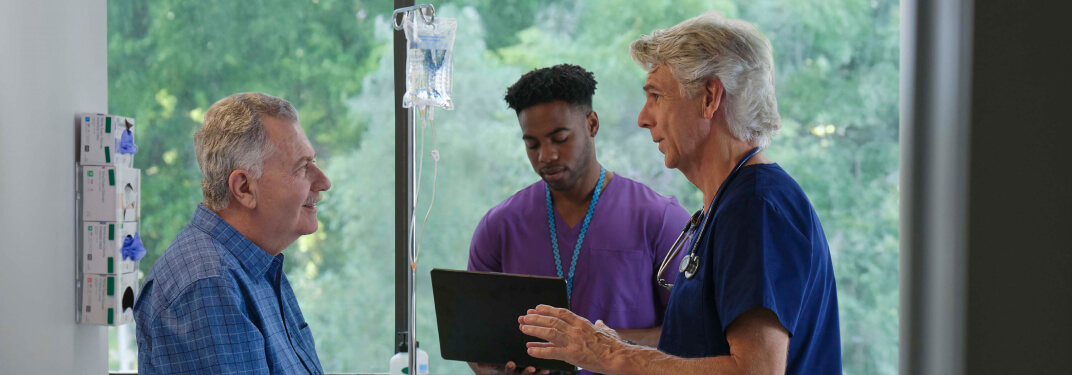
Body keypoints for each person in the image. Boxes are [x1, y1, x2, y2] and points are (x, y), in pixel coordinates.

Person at [518, 12, 842, 375]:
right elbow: (698, 351)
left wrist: (609, 356)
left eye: (656, 95)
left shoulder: (757, 208)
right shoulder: (725, 206)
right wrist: (612, 344)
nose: (643, 117)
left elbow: (756, 370)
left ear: (709, 97)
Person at [468, 64, 691, 375]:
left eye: (559, 138)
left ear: (592, 124)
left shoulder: (660, 219)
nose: (546, 155)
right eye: (532, 144)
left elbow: (693, 336)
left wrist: (607, 345)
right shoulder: (498, 227)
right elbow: (476, 344)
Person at [134, 93, 332, 374]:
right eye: (302, 168)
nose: (324, 182)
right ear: (244, 188)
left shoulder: (254, 267)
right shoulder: (209, 286)